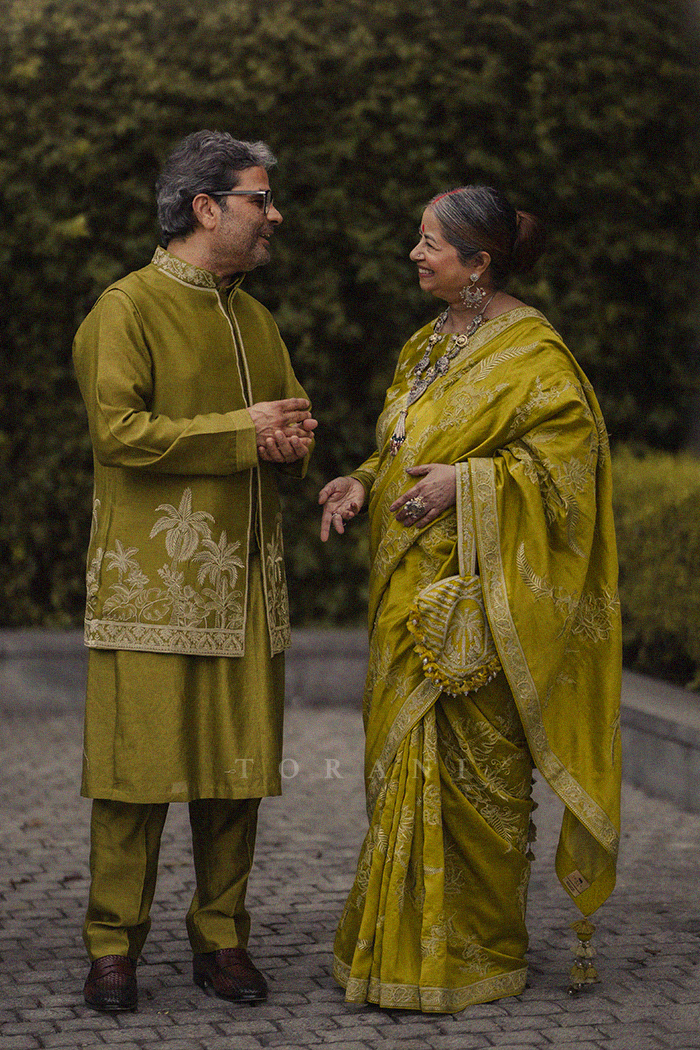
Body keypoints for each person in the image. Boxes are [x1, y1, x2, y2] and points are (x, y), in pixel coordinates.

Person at [319, 185, 621, 1013]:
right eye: (418, 239)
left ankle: (476, 954)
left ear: (479, 262)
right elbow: (399, 447)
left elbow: (569, 475)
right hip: (402, 594)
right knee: (401, 774)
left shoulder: (534, 353)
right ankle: (394, 949)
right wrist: (360, 479)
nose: (415, 255)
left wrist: (471, 483)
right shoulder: (424, 344)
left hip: (479, 607)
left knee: (477, 782)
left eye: (430, 243)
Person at [72, 130, 317, 1012]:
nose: (274, 215)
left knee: (237, 777)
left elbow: (286, 426)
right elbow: (119, 435)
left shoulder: (256, 319)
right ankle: (112, 947)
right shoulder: (125, 309)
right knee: (132, 778)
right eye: (261, 198)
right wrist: (244, 431)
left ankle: (222, 938)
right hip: (153, 586)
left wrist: (289, 445)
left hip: (245, 584)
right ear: (206, 207)